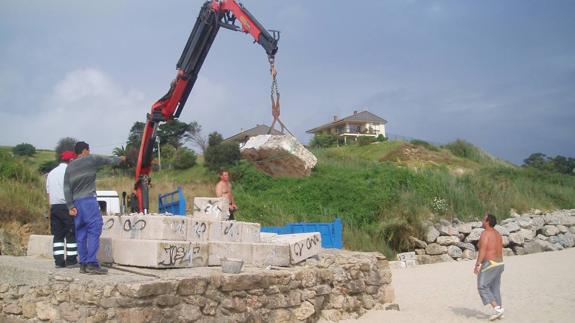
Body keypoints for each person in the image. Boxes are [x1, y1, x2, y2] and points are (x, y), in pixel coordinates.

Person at [64, 141, 124, 274]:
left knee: (81, 233)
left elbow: (66, 188)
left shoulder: (69, 167)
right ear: (85, 151)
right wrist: (121, 159)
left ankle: (83, 264)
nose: (89, 152)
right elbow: (108, 160)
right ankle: (92, 263)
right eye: (88, 150)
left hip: (76, 203)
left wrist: (70, 206)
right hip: (88, 201)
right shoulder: (90, 159)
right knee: (95, 228)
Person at [46, 150, 78, 268]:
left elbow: (49, 193)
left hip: (54, 207)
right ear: (71, 160)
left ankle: (58, 262)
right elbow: (74, 190)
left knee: (58, 235)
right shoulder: (70, 172)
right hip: (67, 206)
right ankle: (71, 261)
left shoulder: (51, 173)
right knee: (71, 233)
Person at [475, 213, 505, 321]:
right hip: (500, 263)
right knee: (495, 288)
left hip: (490, 264)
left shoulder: (485, 233)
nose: (482, 221)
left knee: (482, 286)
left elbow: (482, 250)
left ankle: (497, 309)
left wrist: (477, 264)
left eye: (483, 219)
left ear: (488, 222)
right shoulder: (497, 234)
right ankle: (500, 312)